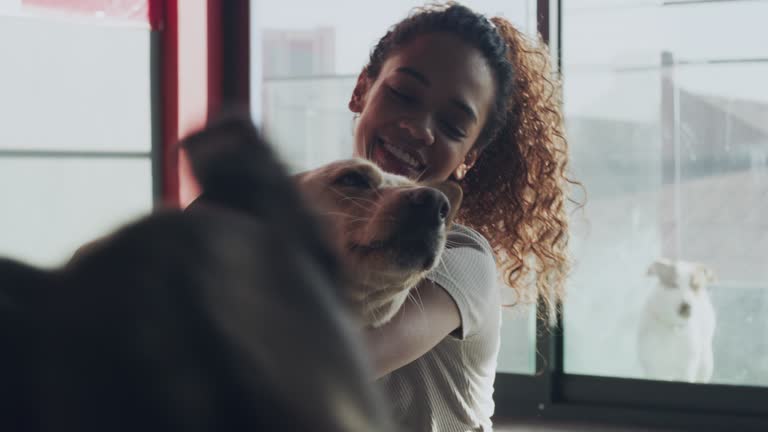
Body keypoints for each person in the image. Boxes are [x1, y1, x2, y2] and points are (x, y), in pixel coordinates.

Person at [349, 3, 575, 431]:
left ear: (468, 158)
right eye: (404, 95)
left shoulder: (459, 258)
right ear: (362, 89)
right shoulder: (324, 217)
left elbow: (334, 364)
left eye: (452, 125)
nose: (419, 128)